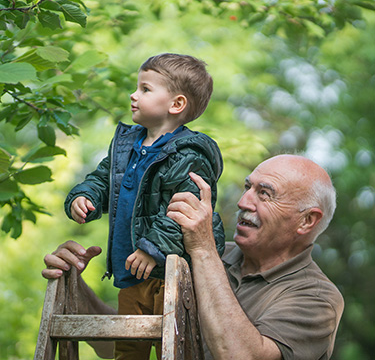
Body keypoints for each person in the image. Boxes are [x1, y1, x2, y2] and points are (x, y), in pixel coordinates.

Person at [43, 154, 344, 360]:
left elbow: (241, 356)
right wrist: (74, 287)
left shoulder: (317, 298)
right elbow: (128, 341)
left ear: (307, 221)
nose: (243, 202)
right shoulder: (203, 256)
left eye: (265, 194)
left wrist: (202, 248)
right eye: (247, 187)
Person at [62, 53, 225, 360]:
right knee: (128, 346)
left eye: (145, 89)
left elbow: (187, 209)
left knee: (176, 343)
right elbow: (102, 179)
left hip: (171, 274)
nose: (134, 95)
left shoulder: (189, 154)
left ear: (176, 105)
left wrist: (153, 248)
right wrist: (85, 197)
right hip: (131, 271)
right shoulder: (127, 147)